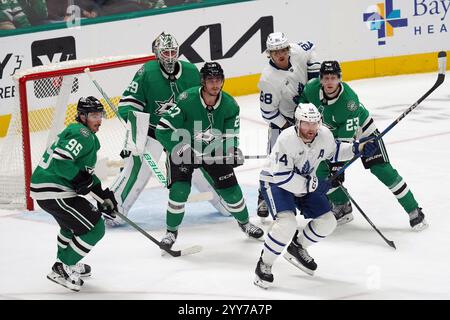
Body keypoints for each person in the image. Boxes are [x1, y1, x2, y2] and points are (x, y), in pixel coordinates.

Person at [111, 32, 231, 224]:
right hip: (154, 132)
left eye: (173, 51)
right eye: (165, 52)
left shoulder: (191, 71)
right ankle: (115, 207)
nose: (169, 56)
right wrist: (134, 125)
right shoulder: (147, 72)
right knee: (140, 167)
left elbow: (206, 99)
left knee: (201, 166)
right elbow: (128, 104)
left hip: (184, 133)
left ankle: (225, 200)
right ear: (157, 53)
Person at [254, 103, 378, 288]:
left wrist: (357, 148)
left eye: (314, 123)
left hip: (305, 182)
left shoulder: (324, 135)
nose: (311, 128)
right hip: (275, 182)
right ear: (297, 122)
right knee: (287, 224)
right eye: (306, 123)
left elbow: (334, 151)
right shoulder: (286, 139)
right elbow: (281, 176)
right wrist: (311, 184)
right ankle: (264, 264)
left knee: (328, 222)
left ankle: (297, 247)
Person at [300, 61, 428, 231]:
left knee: (382, 170)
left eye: (333, 78)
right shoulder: (311, 88)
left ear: (340, 79)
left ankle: (413, 210)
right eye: (326, 78)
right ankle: (342, 206)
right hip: (330, 137)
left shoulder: (349, 102)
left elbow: (345, 144)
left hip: (364, 136)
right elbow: (303, 103)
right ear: (320, 79)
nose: (329, 82)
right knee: (321, 174)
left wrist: (338, 167)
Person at [155, 61, 264, 253]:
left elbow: (230, 137)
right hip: (184, 150)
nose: (215, 84)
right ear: (203, 81)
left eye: (218, 80)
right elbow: (162, 130)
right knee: (179, 192)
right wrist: (182, 150)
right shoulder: (186, 99)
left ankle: (245, 223)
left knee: (232, 192)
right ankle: (171, 233)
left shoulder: (230, 105)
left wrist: (231, 152)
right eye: (210, 80)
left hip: (212, 151)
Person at [30, 96, 118, 292]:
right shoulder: (82, 134)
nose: (99, 120)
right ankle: (63, 266)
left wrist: (102, 195)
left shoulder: (82, 133)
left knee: (70, 227)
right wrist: (79, 179)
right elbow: (62, 162)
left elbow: (85, 174)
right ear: (82, 116)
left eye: (100, 115)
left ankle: (67, 262)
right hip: (54, 189)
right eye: (94, 115)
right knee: (96, 228)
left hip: (49, 188)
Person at [256, 32, 321, 220]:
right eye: (275, 52)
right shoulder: (267, 79)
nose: (280, 54)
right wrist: (288, 126)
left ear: (288, 48)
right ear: (269, 54)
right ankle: (263, 197)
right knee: (274, 161)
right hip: (283, 120)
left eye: (283, 50)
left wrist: (313, 80)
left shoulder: (298, 51)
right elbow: (267, 112)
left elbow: (311, 45)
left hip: (307, 114)